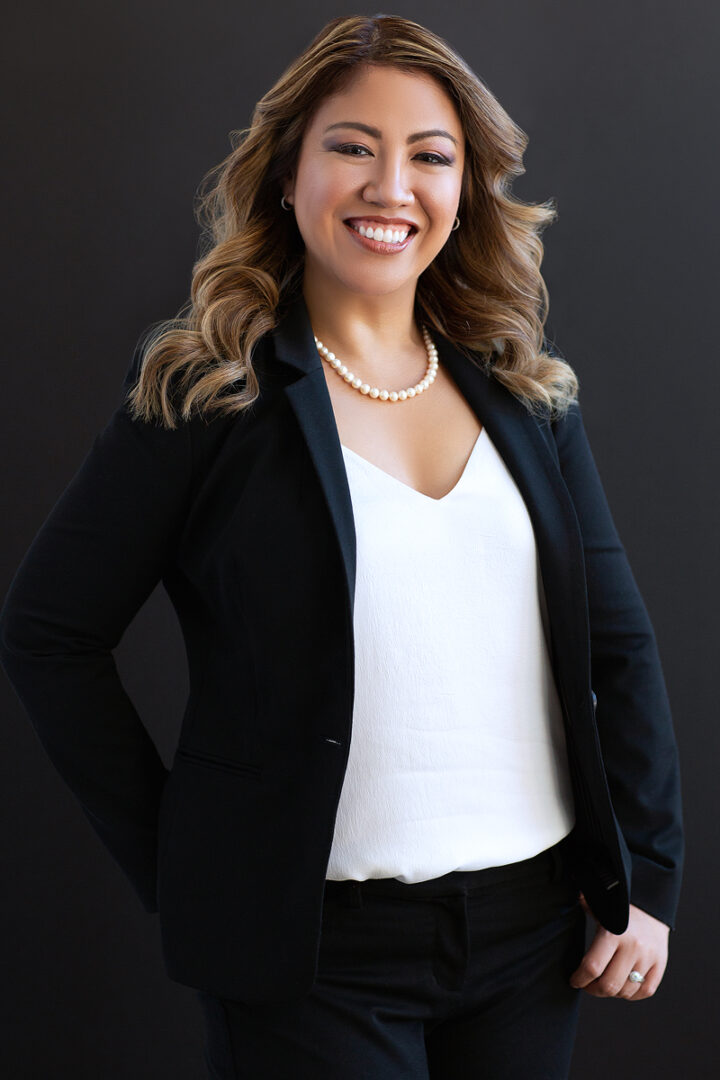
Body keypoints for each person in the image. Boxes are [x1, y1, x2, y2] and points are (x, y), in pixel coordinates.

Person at [0, 13, 683, 1080]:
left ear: (464, 192)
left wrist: (644, 876)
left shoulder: (526, 395)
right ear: (287, 173)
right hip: (315, 958)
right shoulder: (207, 392)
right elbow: (48, 632)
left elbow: (620, 648)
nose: (391, 187)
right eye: (352, 147)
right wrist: (191, 864)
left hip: (531, 935)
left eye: (430, 156)